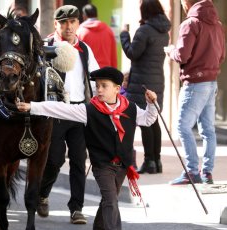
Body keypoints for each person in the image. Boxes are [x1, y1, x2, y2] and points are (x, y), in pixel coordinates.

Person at [16, 66, 159, 230]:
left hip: (123, 165)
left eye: (104, 86)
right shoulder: (89, 110)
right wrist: (33, 106)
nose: (99, 90)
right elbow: (61, 109)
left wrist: (152, 104)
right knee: (110, 198)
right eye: (97, 86)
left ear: (117, 89)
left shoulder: (131, 108)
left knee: (109, 200)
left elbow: (149, 120)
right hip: (102, 165)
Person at [37, 5, 99, 224]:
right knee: (54, 160)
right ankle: (42, 195)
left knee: (78, 161)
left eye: (72, 22)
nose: (69, 26)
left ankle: (77, 208)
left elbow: (95, 79)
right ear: (56, 24)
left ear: (78, 24)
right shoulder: (45, 48)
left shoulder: (85, 50)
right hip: (55, 111)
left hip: (79, 111)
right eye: (64, 22)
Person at [164, 0, 225, 185]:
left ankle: (191, 171)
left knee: (182, 126)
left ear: (187, 3)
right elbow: (222, 55)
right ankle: (207, 173)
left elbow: (182, 55)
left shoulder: (190, 23)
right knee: (208, 130)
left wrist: (171, 51)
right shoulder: (217, 24)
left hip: (194, 83)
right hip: (211, 81)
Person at [120, 0, 171, 175]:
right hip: (157, 80)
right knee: (153, 120)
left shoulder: (144, 30)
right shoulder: (164, 31)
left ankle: (149, 161)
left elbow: (132, 53)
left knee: (145, 122)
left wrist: (124, 35)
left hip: (142, 82)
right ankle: (156, 161)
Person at [76, 4, 117, 68]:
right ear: (97, 15)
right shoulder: (108, 30)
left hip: (89, 73)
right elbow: (113, 56)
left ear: (84, 15)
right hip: (106, 72)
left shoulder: (80, 32)